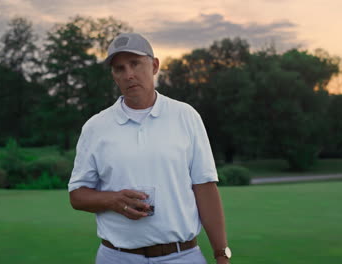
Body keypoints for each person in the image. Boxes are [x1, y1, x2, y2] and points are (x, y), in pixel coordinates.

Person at [68, 33, 231, 264]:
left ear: (154, 66)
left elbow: (205, 188)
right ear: (113, 76)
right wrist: (112, 200)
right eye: (119, 69)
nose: (128, 74)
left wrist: (221, 254)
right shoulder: (95, 127)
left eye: (135, 64)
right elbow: (77, 196)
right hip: (117, 257)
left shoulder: (185, 116)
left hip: (182, 256)